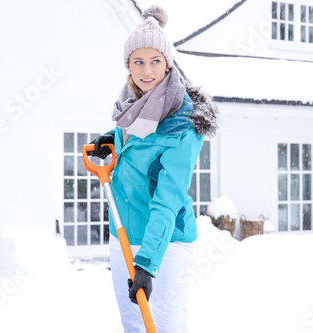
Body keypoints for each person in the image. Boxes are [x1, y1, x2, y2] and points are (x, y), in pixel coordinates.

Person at [89, 5, 218, 332]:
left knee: (165, 324)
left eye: (155, 61)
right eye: (138, 62)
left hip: (167, 239)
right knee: (133, 322)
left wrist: (147, 265)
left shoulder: (182, 127)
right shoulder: (133, 107)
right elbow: (134, 138)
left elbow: (167, 198)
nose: (147, 71)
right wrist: (114, 139)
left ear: (168, 64)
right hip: (123, 232)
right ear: (129, 66)